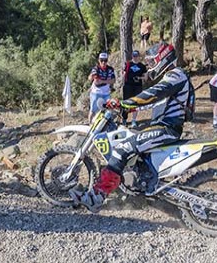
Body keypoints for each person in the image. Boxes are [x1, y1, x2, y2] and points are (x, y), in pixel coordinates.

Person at [71, 42, 194, 213]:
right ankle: (138, 186)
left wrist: (125, 103)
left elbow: (152, 94)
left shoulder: (175, 76)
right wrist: (124, 108)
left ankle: (97, 197)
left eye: (152, 62)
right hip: (162, 127)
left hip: (166, 129)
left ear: (163, 59)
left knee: (122, 148)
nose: (150, 66)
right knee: (131, 142)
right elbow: (152, 103)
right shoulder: (174, 77)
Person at [121, 50, 147, 127]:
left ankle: (134, 120)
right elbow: (124, 74)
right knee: (126, 103)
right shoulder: (128, 64)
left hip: (137, 86)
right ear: (132, 56)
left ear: (139, 57)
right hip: (128, 86)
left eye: (136, 56)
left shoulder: (142, 66)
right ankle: (124, 119)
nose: (135, 58)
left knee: (136, 104)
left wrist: (139, 78)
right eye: (134, 56)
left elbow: (145, 77)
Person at [88, 53, 116, 123]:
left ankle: (107, 125)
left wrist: (103, 81)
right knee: (93, 110)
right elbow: (97, 82)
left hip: (106, 93)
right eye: (101, 60)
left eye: (105, 60)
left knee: (109, 109)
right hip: (96, 92)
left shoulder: (110, 69)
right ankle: (90, 124)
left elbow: (113, 80)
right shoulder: (96, 69)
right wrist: (107, 81)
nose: (103, 62)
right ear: (99, 60)